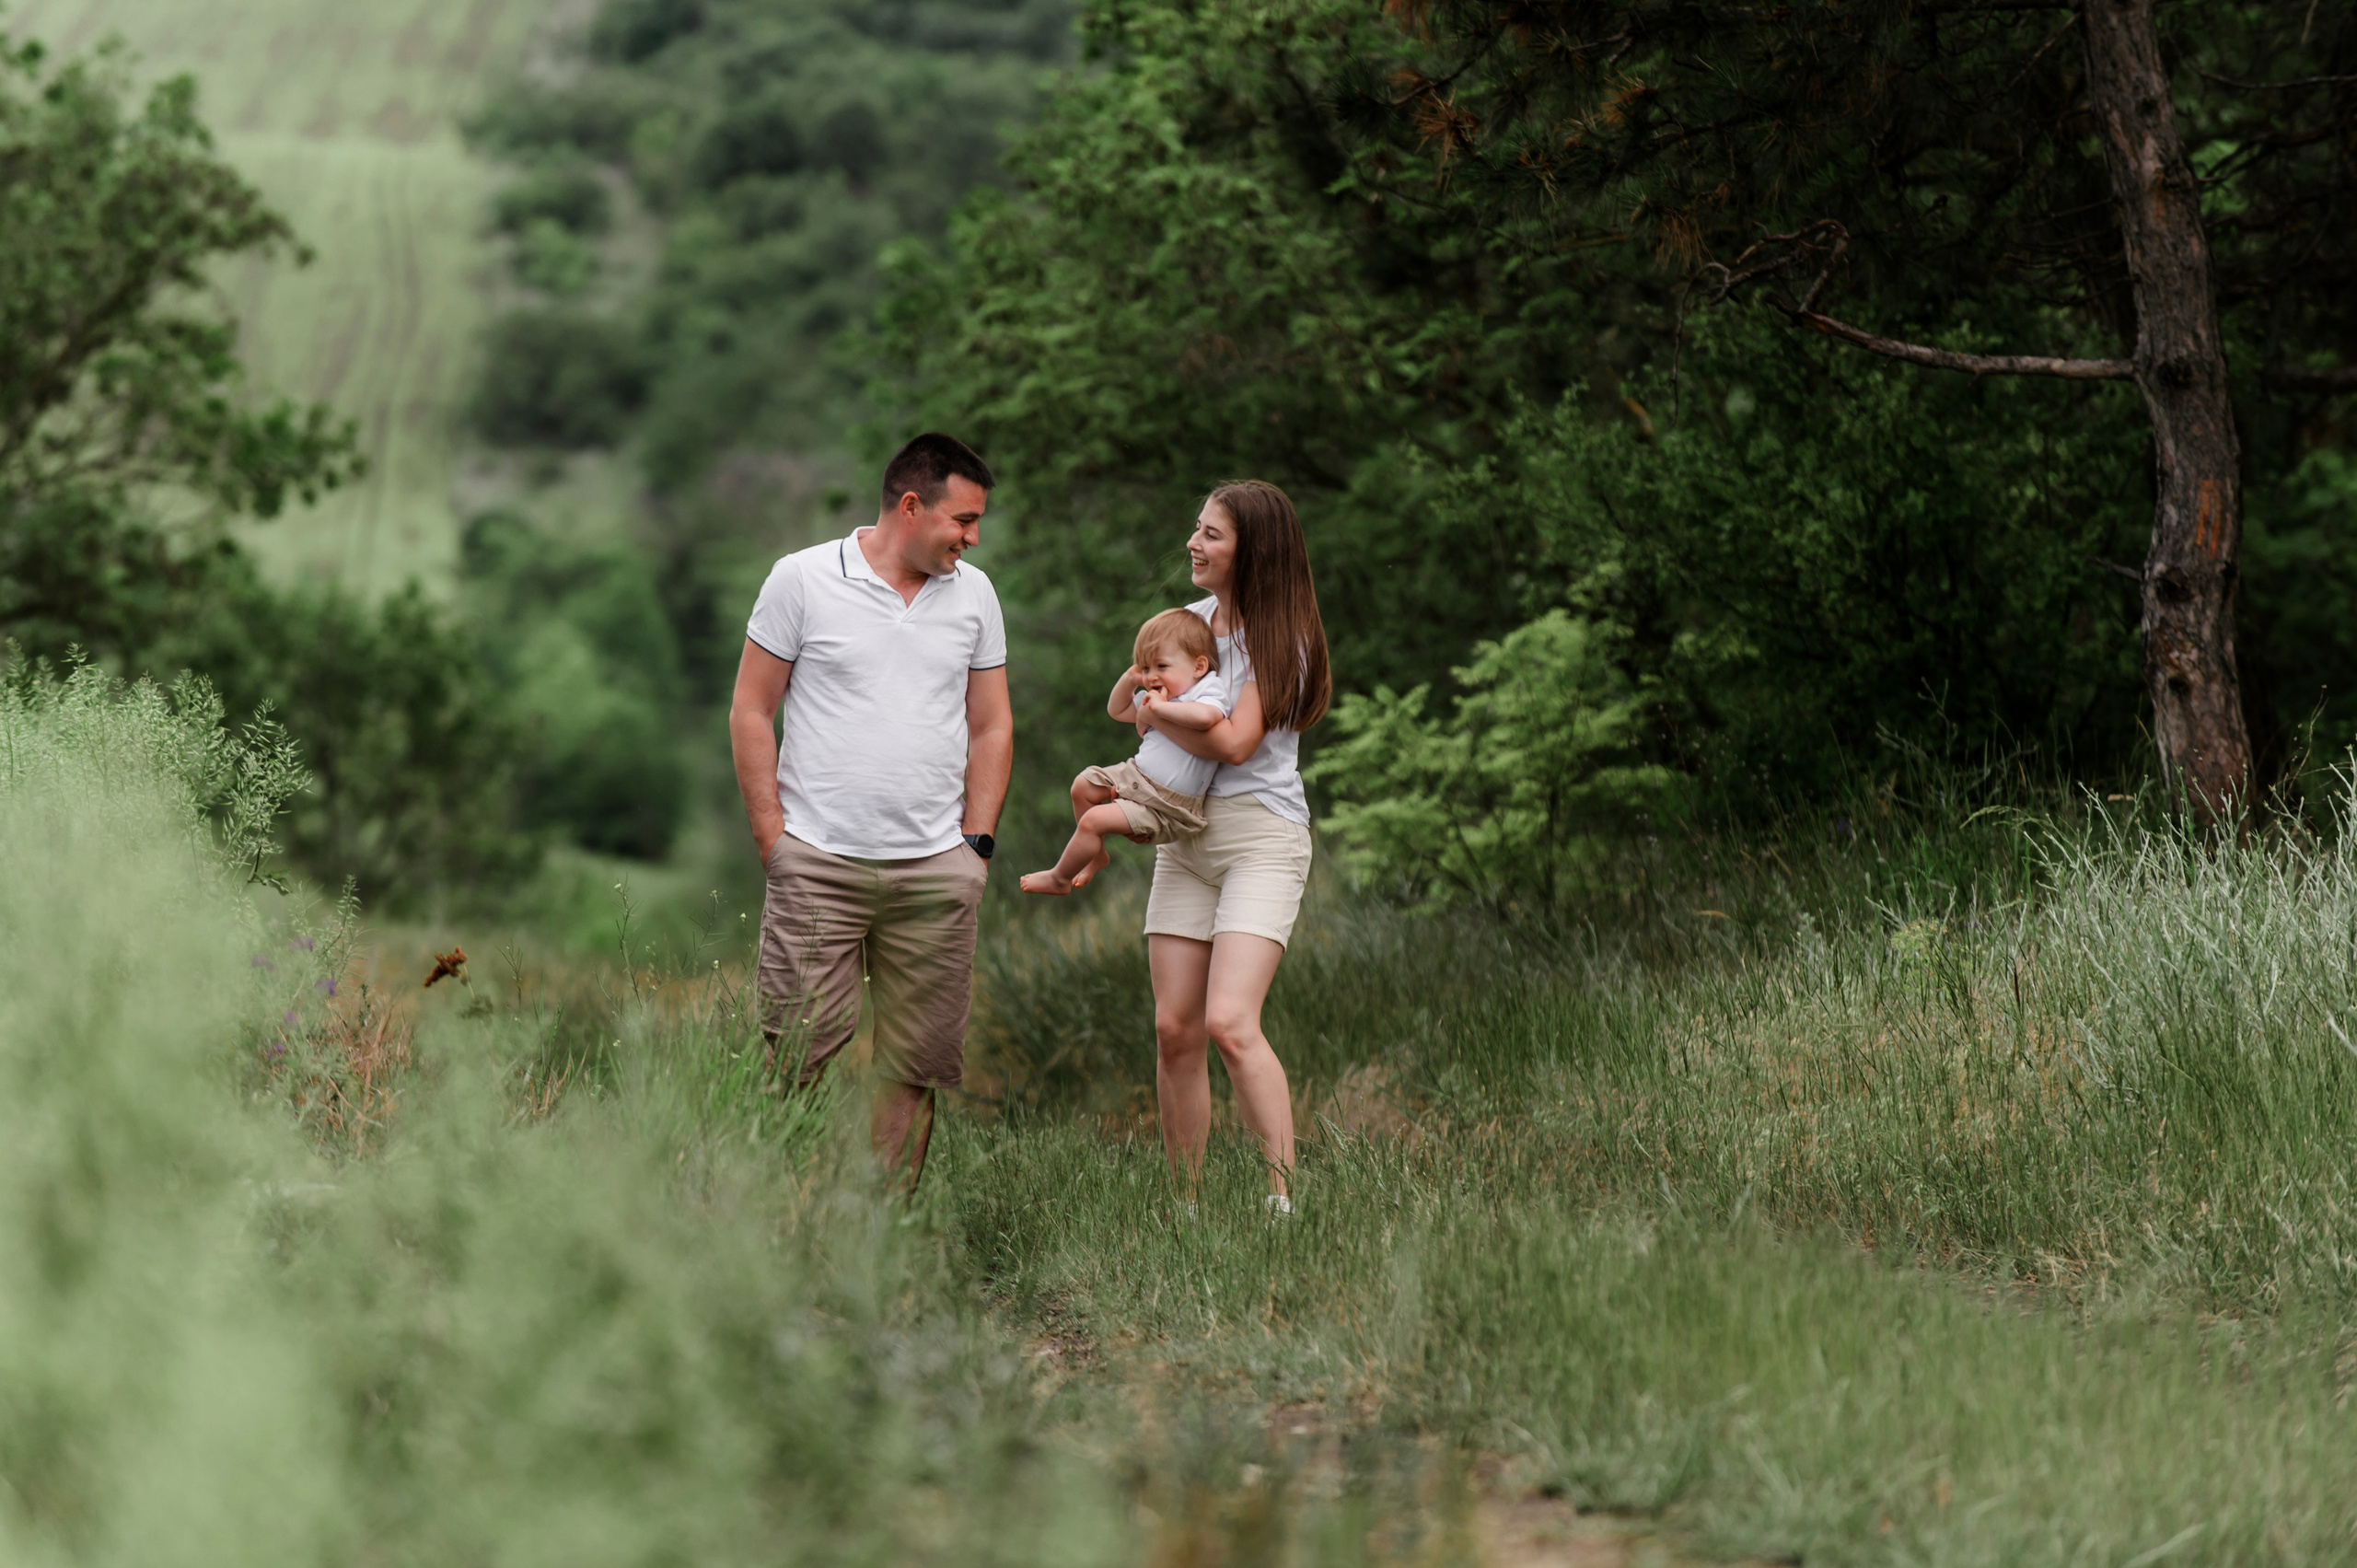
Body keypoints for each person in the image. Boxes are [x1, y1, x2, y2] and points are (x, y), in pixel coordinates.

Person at [727, 433, 1014, 1191]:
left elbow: (992, 725)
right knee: (795, 1058)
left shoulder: (975, 595)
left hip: (934, 872)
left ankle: (883, 1239)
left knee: (915, 1066)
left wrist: (975, 847)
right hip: (818, 862)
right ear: (911, 506)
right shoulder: (802, 580)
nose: (973, 538)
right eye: (964, 519)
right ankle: (785, 1225)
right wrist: (774, 839)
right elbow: (753, 708)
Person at [1132, 481, 1330, 1213]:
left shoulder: (1285, 639)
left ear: (1254, 550)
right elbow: (1132, 708)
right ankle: (1184, 1204)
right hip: (1186, 834)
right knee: (1173, 1027)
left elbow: (1240, 744)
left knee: (1229, 1022)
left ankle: (1283, 1201)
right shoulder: (1186, 623)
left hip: (1261, 839)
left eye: (1212, 534)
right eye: (1197, 528)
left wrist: (1164, 710)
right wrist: (1162, 705)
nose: (1194, 542)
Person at [1019, 609, 1225, 896]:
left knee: (1094, 821)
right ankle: (1095, 854)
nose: (1152, 676)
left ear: (1198, 666)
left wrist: (1161, 709)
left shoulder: (1204, 691)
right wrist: (1130, 679)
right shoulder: (1156, 697)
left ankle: (1059, 878)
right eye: (1145, 667)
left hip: (1168, 806)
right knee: (1082, 786)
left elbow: (1208, 718)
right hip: (1135, 776)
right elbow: (1117, 710)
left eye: (1161, 666)